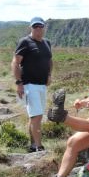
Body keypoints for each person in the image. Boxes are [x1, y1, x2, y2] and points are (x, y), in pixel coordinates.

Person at [11, 17, 52, 153]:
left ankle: (32, 144)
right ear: (31, 28)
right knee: (37, 116)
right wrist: (19, 83)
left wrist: (49, 75)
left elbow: (50, 61)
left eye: (41, 26)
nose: (38, 29)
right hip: (29, 85)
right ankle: (39, 147)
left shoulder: (47, 43)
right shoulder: (25, 42)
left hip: (42, 85)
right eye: (35, 27)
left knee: (34, 116)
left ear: (44, 27)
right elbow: (15, 63)